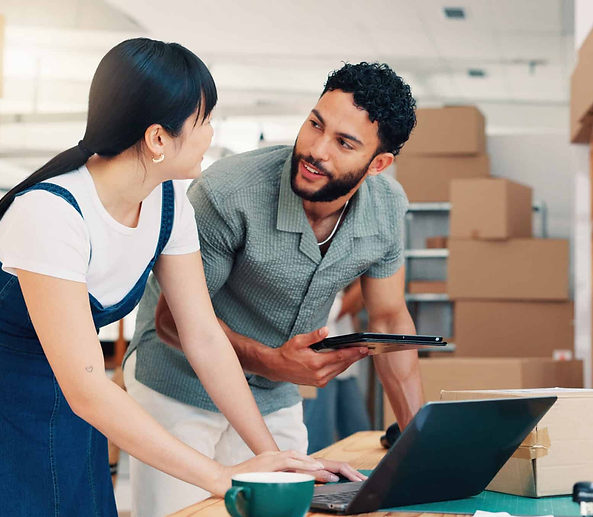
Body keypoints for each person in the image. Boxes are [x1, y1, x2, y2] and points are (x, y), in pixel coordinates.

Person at [0, 39, 325, 517]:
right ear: (157, 138)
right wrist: (221, 478)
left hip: (76, 412)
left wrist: (269, 457)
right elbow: (88, 389)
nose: (210, 135)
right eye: (204, 121)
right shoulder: (50, 214)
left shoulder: (168, 204)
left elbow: (202, 337)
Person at [125, 61, 425, 515]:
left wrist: (419, 448)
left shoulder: (385, 210)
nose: (316, 149)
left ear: (378, 163)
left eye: (344, 143)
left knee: (292, 506)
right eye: (315, 124)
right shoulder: (230, 192)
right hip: (177, 380)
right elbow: (173, 321)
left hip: (272, 391)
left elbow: (388, 320)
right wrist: (272, 360)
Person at [302, 279, 372, 453]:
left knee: (359, 433)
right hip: (319, 359)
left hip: (343, 363)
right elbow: (329, 313)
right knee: (319, 439)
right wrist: (365, 283)